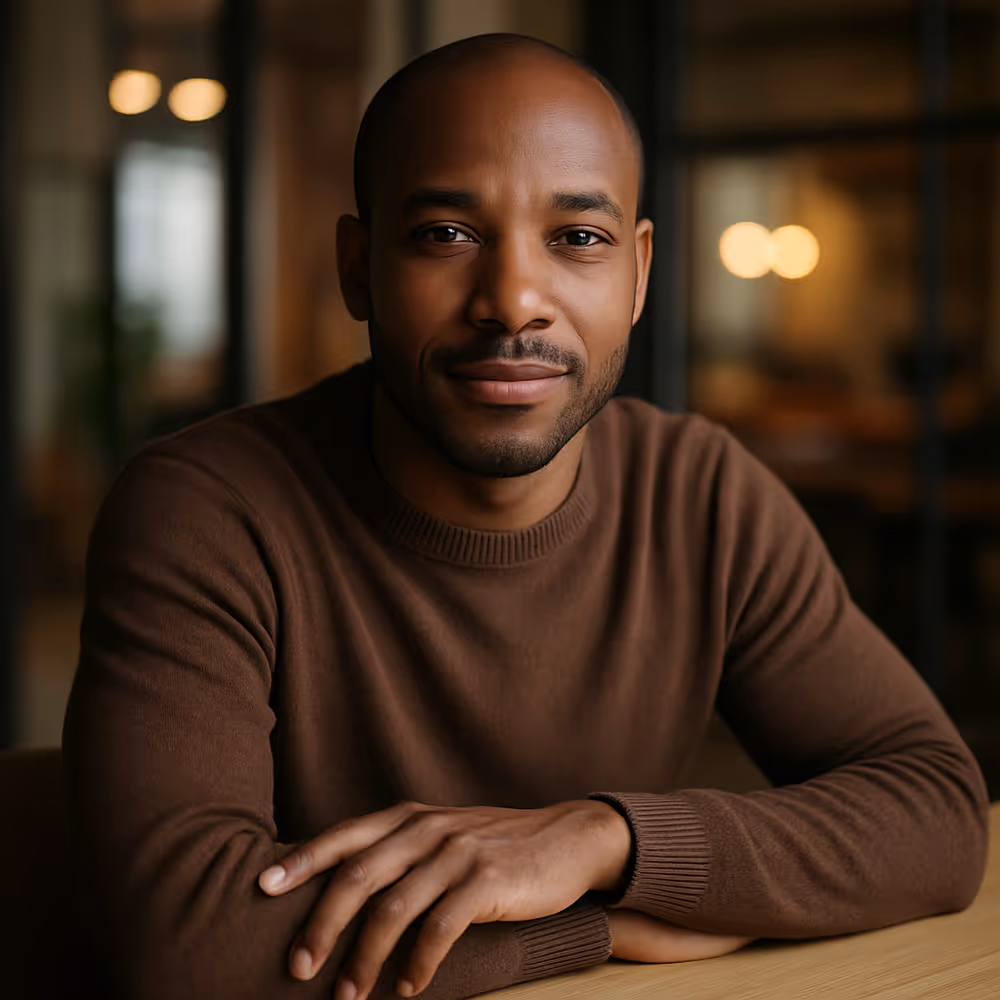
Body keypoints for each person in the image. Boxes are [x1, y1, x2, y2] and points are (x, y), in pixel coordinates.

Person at [63, 33, 989, 1000]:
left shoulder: (701, 493)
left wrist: (606, 838)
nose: (512, 301)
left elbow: (935, 810)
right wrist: (597, 926)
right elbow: (185, 946)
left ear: (636, 275)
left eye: (577, 238)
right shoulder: (207, 509)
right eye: (445, 235)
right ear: (358, 267)